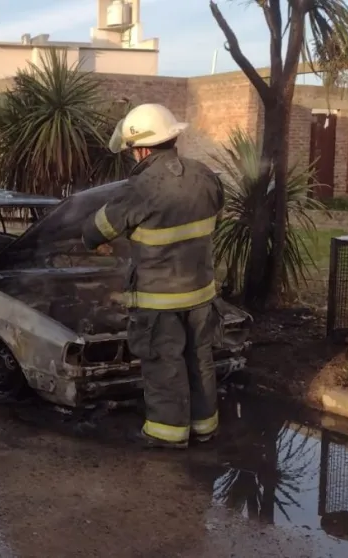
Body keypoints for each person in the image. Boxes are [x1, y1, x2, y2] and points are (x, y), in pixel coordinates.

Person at [80, 103, 225, 450]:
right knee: (200, 361)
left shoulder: (140, 188)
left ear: (143, 148)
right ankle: (205, 428)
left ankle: (166, 434)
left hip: (159, 301)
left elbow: (94, 233)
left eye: (132, 150)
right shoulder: (205, 176)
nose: (133, 157)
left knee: (165, 365)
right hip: (202, 295)